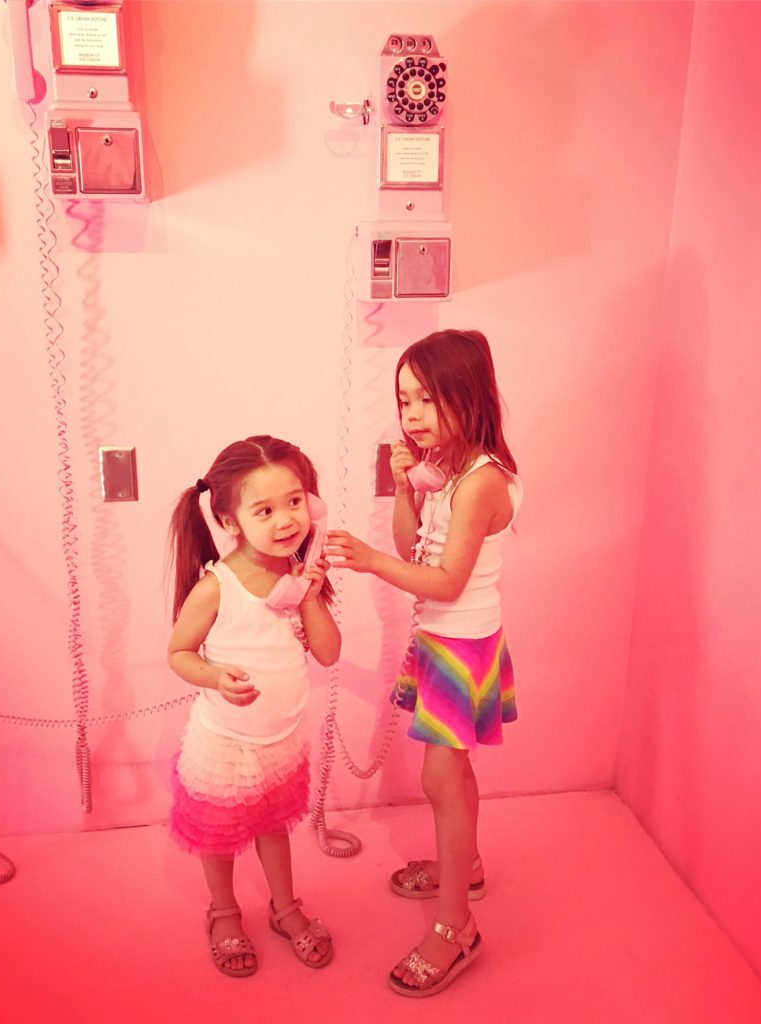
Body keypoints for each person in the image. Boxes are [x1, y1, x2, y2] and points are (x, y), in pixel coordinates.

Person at [326, 329, 522, 997]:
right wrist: (408, 487)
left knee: (442, 774)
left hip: (463, 644)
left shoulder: (482, 481)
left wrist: (369, 558)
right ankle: (463, 867)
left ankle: (454, 929)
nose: (411, 414)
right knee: (450, 771)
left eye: (426, 399)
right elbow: (414, 539)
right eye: (404, 399)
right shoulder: (447, 470)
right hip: (443, 641)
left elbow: (443, 579)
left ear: (468, 397)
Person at [167, 435, 340, 978]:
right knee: (218, 835)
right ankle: (223, 911)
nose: (286, 519)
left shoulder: (300, 576)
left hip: (279, 739)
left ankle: (284, 907)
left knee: (273, 826)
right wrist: (215, 677)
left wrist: (310, 591)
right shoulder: (217, 586)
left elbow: (330, 653)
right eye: (264, 509)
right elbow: (178, 652)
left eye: (295, 501)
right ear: (230, 519)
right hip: (226, 742)